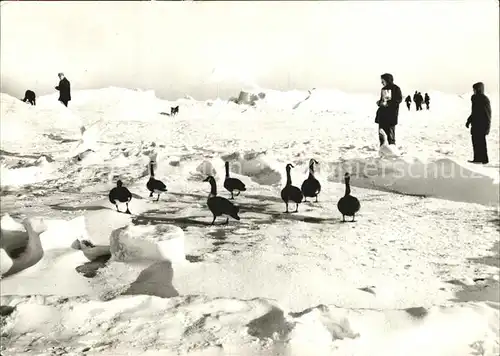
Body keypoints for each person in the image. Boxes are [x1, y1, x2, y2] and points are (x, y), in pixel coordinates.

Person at [465, 82, 491, 164]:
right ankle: (477, 158)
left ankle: (484, 160)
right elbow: (474, 112)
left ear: (479, 89)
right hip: (475, 125)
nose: (473, 91)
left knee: (481, 143)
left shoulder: (484, 99)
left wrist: (487, 128)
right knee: (475, 142)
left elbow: (488, 114)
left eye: (474, 89)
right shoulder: (475, 98)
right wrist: (469, 120)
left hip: (482, 126)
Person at [375, 73, 402, 145]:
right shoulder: (383, 89)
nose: (381, 82)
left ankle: (392, 150)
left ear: (387, 80)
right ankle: (383, 149)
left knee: (390, 136)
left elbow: (398, 100)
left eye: (383, 80)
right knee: (382, 135)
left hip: (390, 115)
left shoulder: (396, 88)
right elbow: (383, 101)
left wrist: (389, 104)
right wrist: (380, 102)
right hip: (382, 115)